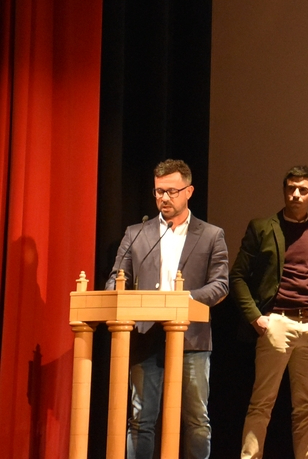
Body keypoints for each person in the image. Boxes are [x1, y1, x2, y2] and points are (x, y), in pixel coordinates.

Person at [106, 159, 230, 459]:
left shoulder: (212, 235)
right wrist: (120, 298)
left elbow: (220, 286)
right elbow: (115, 280)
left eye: (172, 191)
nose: (164, 197)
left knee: (196, 420)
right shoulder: (136, 233)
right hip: (146, 336)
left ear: (189, 191)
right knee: (141, 420)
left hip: (192, 339)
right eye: (159, 191)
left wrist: (181, 300)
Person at [231, 166, 308, 459]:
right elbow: (237, 276)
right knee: (262, 403)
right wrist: (256, 317)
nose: (296, 195)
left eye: (303, 190)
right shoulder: (262, 227)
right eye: (291, 188)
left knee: (306, 407)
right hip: (277, 323)